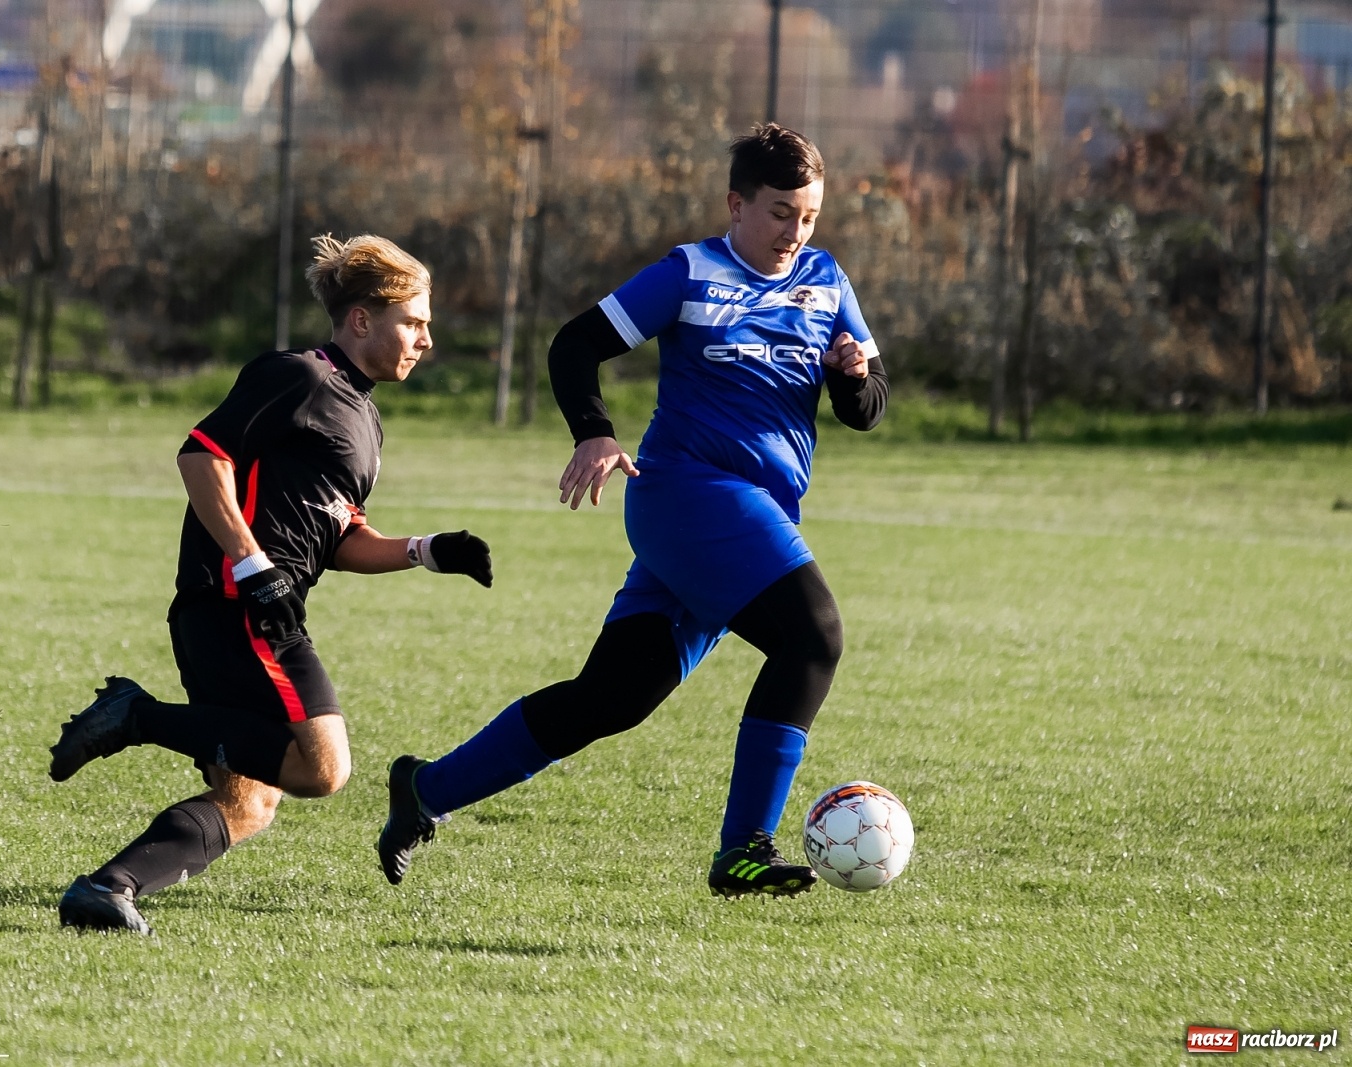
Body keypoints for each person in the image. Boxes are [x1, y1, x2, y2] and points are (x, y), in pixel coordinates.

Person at [378, 123, 889, 897]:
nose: (797, 231)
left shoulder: (826, 281)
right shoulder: (691, 273)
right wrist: (595, 433)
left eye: (810, 215)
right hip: (687, 495)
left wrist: (851, 375)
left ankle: (425, 790)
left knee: (612, 697)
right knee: (813, 636)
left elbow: (868, 408)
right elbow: (573, 345)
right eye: (782, 212)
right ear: (736, 203)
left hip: (746, 522)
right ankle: (743, 846)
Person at [48, 234, 494, 934]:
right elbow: (202, 458)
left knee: (250, 801)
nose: (425, 340)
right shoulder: (300, 376)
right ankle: (137, 716)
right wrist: (252, 564)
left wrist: (430, 550)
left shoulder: (364, 416)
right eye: (414, 322)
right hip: (240, 604)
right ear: (360, 319)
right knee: (322, 766)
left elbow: (340, 539)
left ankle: (108, 889)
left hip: (245, 604)